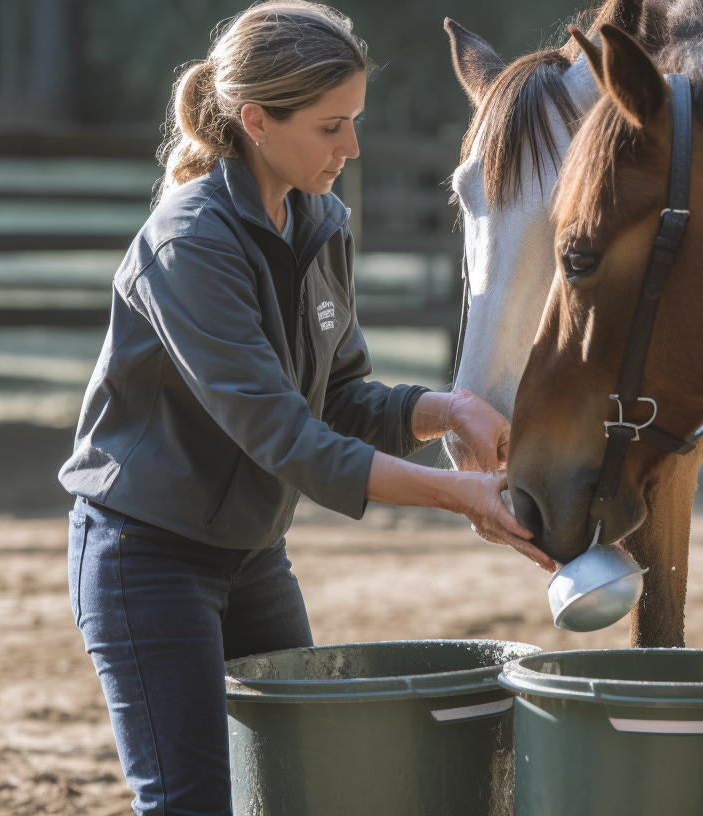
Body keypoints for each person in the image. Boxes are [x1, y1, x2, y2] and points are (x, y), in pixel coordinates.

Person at [57, 2, 550, 812]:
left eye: (355, 121)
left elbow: (343, 397)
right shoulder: (189, 247)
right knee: (193, 804)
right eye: (331, 127)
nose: (351, 148)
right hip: (147, 559)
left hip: (253, 555)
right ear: (256, 120)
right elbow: (289, 439)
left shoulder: (322, 222)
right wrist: (457, 494)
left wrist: (447, 409)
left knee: (295, 790)